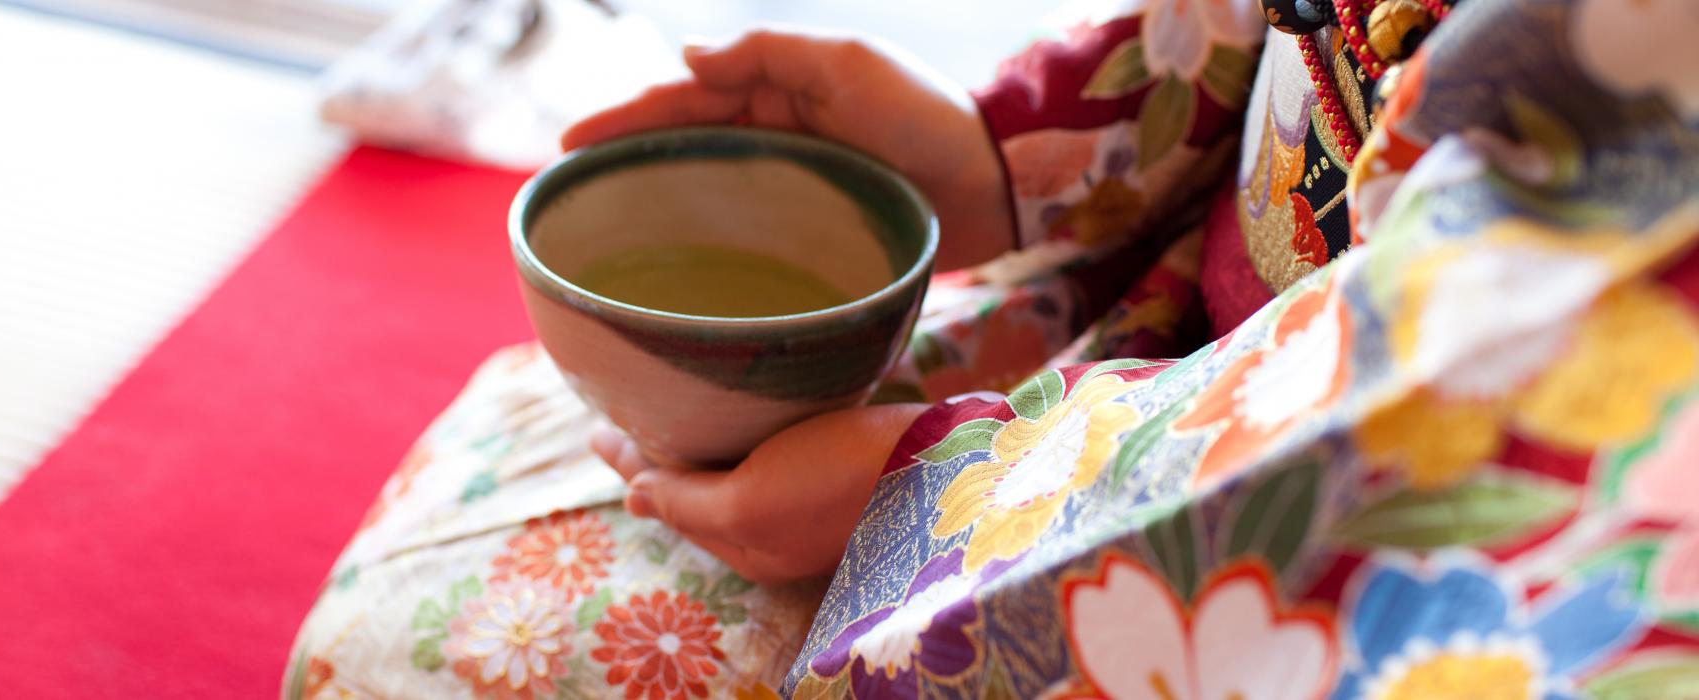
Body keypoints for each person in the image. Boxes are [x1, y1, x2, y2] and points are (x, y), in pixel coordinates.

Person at [288, 0, 1699, 697]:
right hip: (1158, 336)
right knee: (492, 493)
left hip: (1312, 508)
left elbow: (1495, 372)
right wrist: (1000, 153)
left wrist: (944, 490)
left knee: (433, 658)